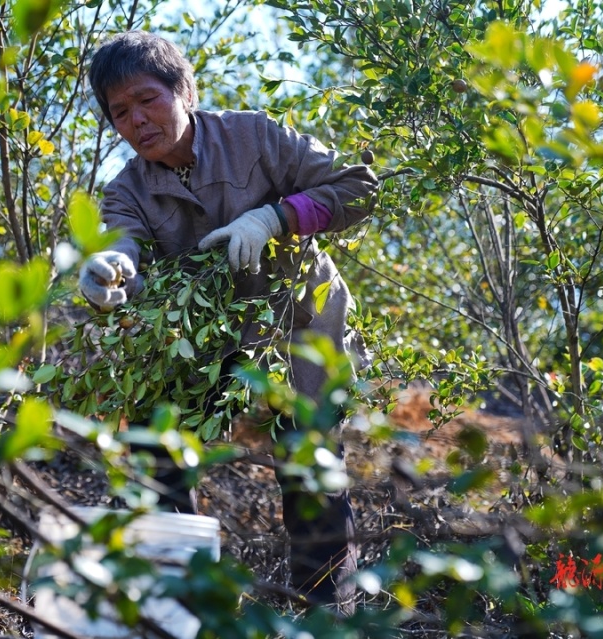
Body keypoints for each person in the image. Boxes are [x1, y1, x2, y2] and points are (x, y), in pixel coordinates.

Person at [79, 31, 379, 615]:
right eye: (121, 112)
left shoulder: (256, 137)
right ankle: (180, 605)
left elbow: (357, 187)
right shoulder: (127, 192)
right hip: (207, 346)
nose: (138, 120)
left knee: (310, 469)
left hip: (299, 330)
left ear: (182, 90)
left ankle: (326, 618)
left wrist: (275, 217)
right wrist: (109, 271)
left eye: (148, 99)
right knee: (154, 450)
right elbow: (124, 248)